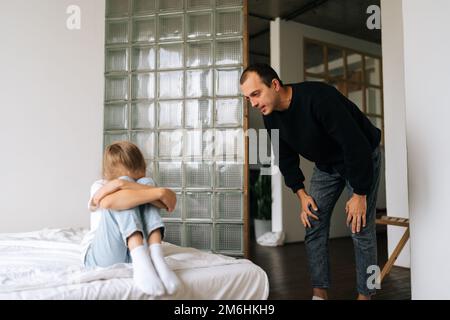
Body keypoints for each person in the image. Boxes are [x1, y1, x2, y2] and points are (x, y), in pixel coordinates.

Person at [240, 63, 382, 300]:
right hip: (326, 166)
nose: (253, 103)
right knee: (313, 223)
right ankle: (319, 293)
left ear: (274, 85)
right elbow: (285, 159)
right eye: (248, 98)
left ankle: (365, 295)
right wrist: (302, 195)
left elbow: (354, 145)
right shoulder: (270, 116)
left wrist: (359, 194)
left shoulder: (319, 98)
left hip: (362, 156)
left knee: (360, 228)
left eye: (256, 94)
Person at [81, 141, 181, 296]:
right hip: (101, 257)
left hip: (142, 246)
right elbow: (108, 202)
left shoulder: (144, 183)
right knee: (122, 198)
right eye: (126, 179)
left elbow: (170, 202)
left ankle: (156, 255)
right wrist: (157, 193)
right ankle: (139, 255)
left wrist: (129, 185)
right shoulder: (98, 186)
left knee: (147, 184)